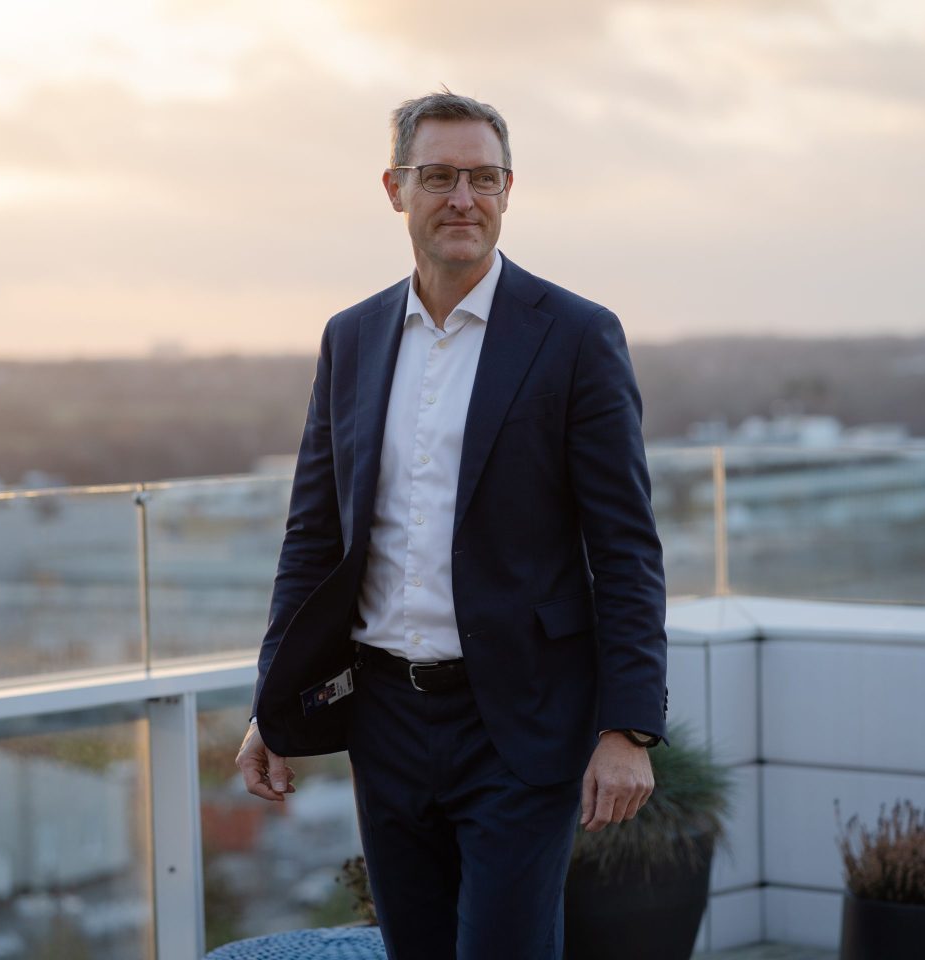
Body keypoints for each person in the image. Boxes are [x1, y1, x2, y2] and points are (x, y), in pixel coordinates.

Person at [235, 91, 668, 960]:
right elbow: (314, 540)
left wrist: (626, 728)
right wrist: (274, 704)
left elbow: (624, 547)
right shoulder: (351, 338)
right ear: (396, 188)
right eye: (439, 176)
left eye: (483, 177)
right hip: (384, 717)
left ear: (510, 190)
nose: (462, 198)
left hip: (520, 718)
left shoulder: (576, 336)